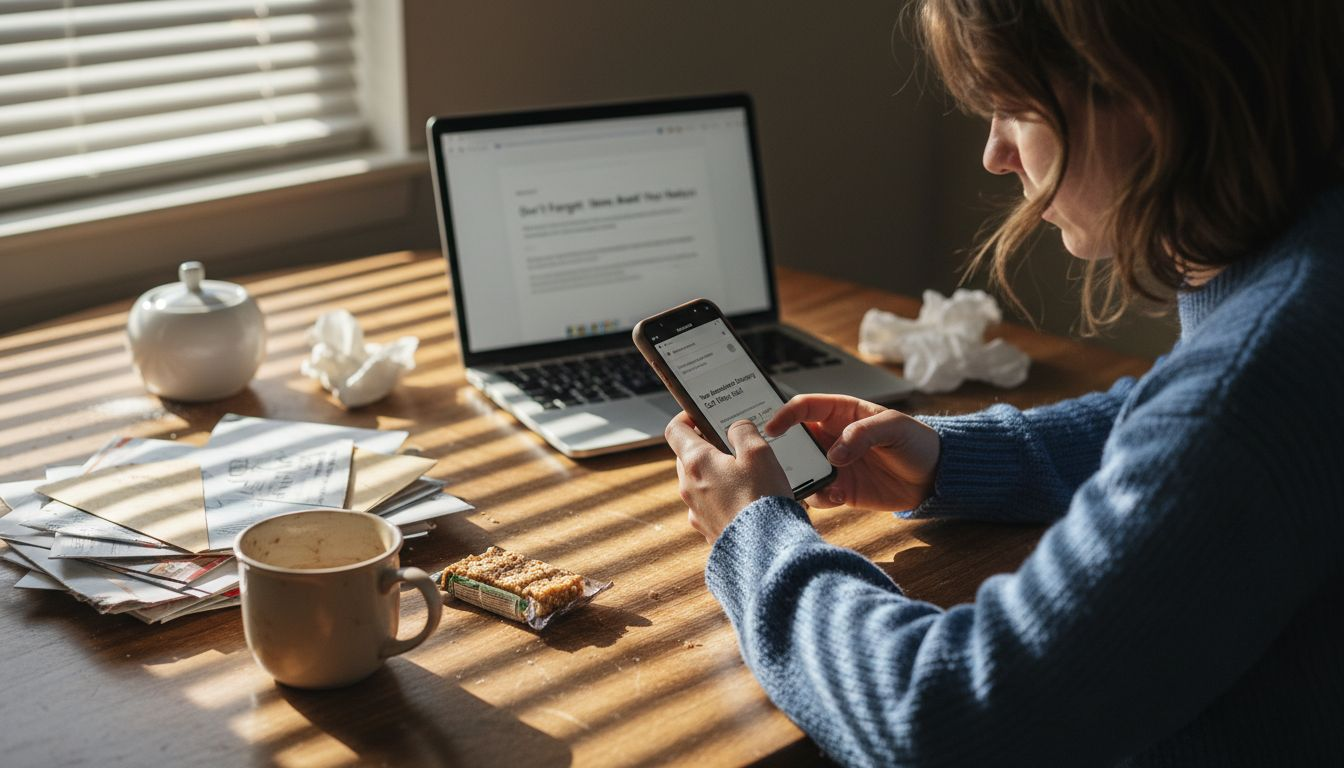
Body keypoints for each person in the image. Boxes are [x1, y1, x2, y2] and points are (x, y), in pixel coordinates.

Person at [663, 1, 1344, 765]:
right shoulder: (1307, 265)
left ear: (1147, 95)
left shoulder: (1255, 382)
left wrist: (753, 535)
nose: (994, 154)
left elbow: (952, 717)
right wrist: (956, 459)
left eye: (1012, 107)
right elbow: (1174, 413)